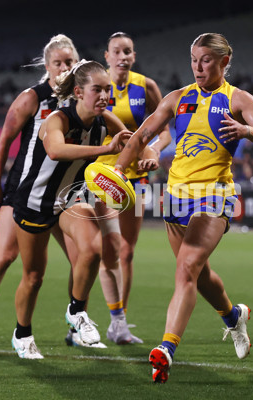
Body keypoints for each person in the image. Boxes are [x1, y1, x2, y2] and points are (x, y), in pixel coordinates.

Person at [114, 33, 253, 383]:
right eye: (193, 59)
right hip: (175, 195)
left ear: (224, 61)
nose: (197, 66)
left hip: (215, 193)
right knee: (198, 275)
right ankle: (233, 316)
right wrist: (117, 170)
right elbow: (142, 136)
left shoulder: (239, 100)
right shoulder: (178, 98)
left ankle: (166, 349)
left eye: (205, 59)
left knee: (187, 267)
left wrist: (247, 130)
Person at [0, 34, 80, 350]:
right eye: (58, 63)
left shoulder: (83, 101)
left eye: (70, 61)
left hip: (62, 197)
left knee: (84, 258)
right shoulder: (32, 98)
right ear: (47, 65)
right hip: (24, 192)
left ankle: (76, 324)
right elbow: (3, 141)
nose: (65, 67)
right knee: (4, 257)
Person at [10, 59, 134, 358]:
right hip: (35, 200)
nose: (104, 96)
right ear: (78, 92)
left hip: (69, 198)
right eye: (97, 90)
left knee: (93, 249)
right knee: (34, 276)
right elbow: (56, 150)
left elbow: (134, 140)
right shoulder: (57, 120)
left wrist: (146, 156)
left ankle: (77, 312)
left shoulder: (105, 120)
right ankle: (22, 334)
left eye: (108, 90)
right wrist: (106, 149)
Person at [92, 32, 172, 345]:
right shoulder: (96, 86)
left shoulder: (146, 86)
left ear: (133, 56)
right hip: (101, 177)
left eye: (128, 51)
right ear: (107, 56)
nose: (123, 56)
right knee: (100, 249)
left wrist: (153, 150)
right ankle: (80, 314)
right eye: (117, 51)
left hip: (136, 181)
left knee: (126, 250)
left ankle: (119, 323)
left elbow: (165, 131)